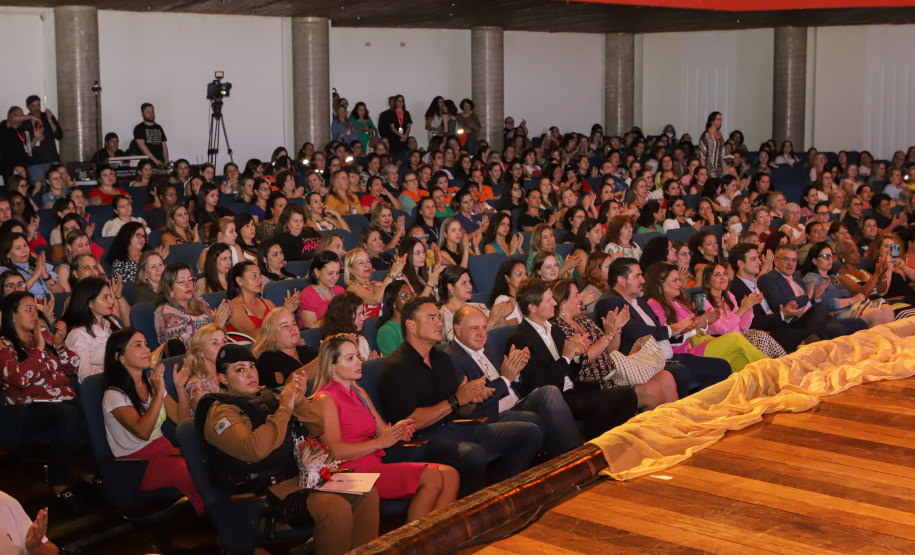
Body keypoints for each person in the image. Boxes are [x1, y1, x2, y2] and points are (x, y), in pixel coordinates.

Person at [200, 344, 379, 555]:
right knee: (335, 508)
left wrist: (301, 403)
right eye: (240, 370)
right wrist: (285, 408)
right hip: (260, 494)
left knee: (367, 492)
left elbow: (318, 427)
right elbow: (255, 449)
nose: (251, 374)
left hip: (299, 480)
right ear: (223, 379)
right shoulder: (220, 413)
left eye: (252, 367)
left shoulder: (268, 396)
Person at [379, 297, 542, 498]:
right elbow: (411, 421)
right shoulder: (396, 366)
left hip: (456, 427)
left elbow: (462, 409)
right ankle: (465, 510)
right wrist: (456, 400)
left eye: (439, 317)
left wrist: (473, 397)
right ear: (411, 325)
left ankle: (499, 494)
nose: (439, 323)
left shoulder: (440, 358)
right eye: (431, 318)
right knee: (472, 454)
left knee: (529, 432)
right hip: (423, 439)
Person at [303, 333, 459, 522]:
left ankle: (440, 539)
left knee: (450, 475)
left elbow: (382, 430)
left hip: (374, 464)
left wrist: (398, 431)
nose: (359, 362)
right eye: (350, 358)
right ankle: (416, 545)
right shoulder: (325, 399)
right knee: (432, 477)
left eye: (358, 356)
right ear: (332, 367)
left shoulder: (358, 391)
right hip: (348, 472)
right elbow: (335, 451)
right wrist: (379, 443)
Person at [445, 304, 580, 459]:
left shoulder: (488, 346)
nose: (482, 334)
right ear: (458, 329)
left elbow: (513, 385)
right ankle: (566, 460)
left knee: (550, 391)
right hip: (492, 414)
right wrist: (505, 379)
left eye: (483, 327)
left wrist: (515, 373)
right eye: (474, 328)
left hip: (515, 402)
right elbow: (470, 405)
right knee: (545, 420)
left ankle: (574, 452)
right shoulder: (451, 358)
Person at [594, 258, 732, 398]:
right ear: (622, 281)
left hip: (666, 356)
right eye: (637, 276)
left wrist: (683, 328)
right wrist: (674, 329)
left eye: (641, 275)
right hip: (642, 362)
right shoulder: (610, 301)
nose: (642, 280)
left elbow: (658, 330)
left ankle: (700, 406)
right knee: (681, 373)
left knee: (721, 366)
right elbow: (636, 332)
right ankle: (688, 410)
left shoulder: (639, 301)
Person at [101, 327, 203, 513]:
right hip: (137, 466)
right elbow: (143, 432)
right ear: (120, 357)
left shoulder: (151, 382)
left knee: (207, 461)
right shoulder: (114, 394)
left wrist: (180, 389)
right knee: (193, 471)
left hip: (165, 451)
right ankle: (215, 523)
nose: (147, 349)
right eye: (138, 346)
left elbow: (183, 422)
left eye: (146, 344)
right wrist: (158, 392)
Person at [0, 291, 85, 509]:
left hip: (58, 401)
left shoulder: (44, 336)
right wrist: (39, 349)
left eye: (36, 309)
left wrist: (58, 345)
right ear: (13, 316)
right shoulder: (4, 345)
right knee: (69, 413)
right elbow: (18, 379)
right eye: (28, 309)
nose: (35, 314)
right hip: (24, 410)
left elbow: (73, 367)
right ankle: (58, 483)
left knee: (92, 407)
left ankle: (90, 471)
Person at [550, 280, 678, 408]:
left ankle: (676, 424)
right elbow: (585, 359)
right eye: (576, 295)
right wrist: (607, 335)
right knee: (653, 391)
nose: (581, 299)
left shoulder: (584, 320)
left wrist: (617, 329)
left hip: (613, 372)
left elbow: (611, 349)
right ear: (563, 302)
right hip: (594, 380)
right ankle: (647, 427)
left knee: (666, 378)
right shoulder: (558, 328)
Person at [758, 244, 867, 340]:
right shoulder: (768, 278)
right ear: (776, 261)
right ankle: (814, 339)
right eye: (786, 259)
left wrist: (816, 298)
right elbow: (780, 305)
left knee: (859, 323)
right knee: (836, 327)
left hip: (812, 321)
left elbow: (810, 305)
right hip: (792, 324)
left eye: (794, 260)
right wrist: (806, 297)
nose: (790, 263)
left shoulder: (798, 281)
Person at [800, 242, 894, 328]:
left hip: (850, 309)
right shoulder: (812, 278)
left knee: (887, 309)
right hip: (834, 314)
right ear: (814, 260)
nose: (830, 259)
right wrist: (852, 300)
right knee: (875, 313)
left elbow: (849, 296)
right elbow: (824, 304)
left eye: (831, 255)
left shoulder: (833, 278)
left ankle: (890, 343)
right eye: (825, 256)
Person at [154, 262, 231, 351]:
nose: (188, 285)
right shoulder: (165, 313)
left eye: (190, 280)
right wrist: (215, 325)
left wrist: (223, 318)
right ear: (170, 287)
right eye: (181, 282)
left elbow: (221, 335)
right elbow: (187, 348)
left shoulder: (200, 301)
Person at [62, 276, 124, 383]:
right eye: (105, 297)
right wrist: (116, 366)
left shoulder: (112, 322)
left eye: (110, 296)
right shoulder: (79, 334)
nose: (111, 301)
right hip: (103, 386)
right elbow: (84, 376)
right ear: (90, 303)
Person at [438, 265, 514, 342]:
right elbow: (460, 344)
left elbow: (499, 337)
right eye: (464, 283)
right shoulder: (443, 317)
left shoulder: (479, 306)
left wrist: (501, 318)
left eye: (469, 282)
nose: (470, 286)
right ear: (451, 287)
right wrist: (490, 322)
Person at [226, 261, 295, 338]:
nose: (259, 280)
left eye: (259, 275)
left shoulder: (267, 303)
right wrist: (283, 312)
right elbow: (254, 335)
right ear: (240, 281)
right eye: (254, 276)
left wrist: (287, 312)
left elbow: (283, 328)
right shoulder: (233, 308)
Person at [344, 248, 405, 319]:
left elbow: (398, 297)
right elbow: (376, 299)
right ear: (350, 269)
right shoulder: (352, 288)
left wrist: (399, 274)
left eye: (368, 261)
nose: (366, 265)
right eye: (361, 263)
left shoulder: (378, 284)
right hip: (368, 328)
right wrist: (392, 274)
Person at [0, 232, 63, 300]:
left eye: (25, 245)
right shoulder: (5, 271)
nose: (24, 251)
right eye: (18, 248)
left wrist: (45, 275)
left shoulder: (39, 266)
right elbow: (14, 296)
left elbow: (62, 294)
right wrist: (35, 276)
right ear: (8, 254)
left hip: (50, 304)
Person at [320, 292, 378, 360]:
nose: (363, 318)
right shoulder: (332, 347)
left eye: (362, 313)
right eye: (359, 314)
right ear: (346, 318)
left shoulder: (361, 339)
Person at [183, 323, 226, 411]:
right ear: (201, 352)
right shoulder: (195, 386)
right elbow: (212, 418)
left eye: (224, 341)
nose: (222, 347)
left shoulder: (231, 374)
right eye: (214, 343)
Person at [299, 251, 344, 329]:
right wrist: (336, 318)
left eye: (337, 273)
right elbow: (311, 327)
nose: (335, 277)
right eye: (330, 273)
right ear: (317, 272)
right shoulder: (307, 296)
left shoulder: (340, 290)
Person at [23, 95, 63, 184]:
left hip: (52, 160)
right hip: (35, 163)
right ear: (27, 107)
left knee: (56, 186)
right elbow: (25, 148)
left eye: (38, 105)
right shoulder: (25, 121)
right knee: (38, 188)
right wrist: (36, 138)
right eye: (34, 106)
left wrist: (50, 119)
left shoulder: (46, 117)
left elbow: (59, 135)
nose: (37, 108)